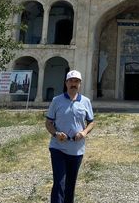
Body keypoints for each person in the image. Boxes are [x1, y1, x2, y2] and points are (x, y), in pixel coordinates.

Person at [45, 70, 95, 203]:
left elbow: (91, 122)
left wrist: (84, 133)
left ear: (80, 84)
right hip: (58, 148)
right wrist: (56, 134)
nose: (74, 84)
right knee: (59, 182)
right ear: (66, 83)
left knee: (70, 184)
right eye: (71, 81)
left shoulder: (85, 101)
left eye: (76, 81)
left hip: (77, 149)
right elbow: (48, 123)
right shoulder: (57, 101)